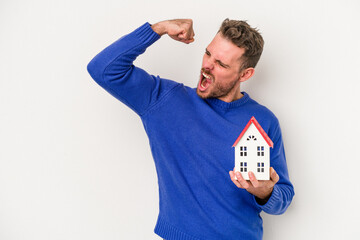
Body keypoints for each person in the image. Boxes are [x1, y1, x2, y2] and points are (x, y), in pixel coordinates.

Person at [87, 18, 294, 240]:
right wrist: (158, 29)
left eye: (221, 64)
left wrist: (265, 192)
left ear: (245, 75)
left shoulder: (263, 120)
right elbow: (103, 69)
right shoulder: (165, 101)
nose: (207, 65)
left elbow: (283, 197)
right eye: (208, 54)